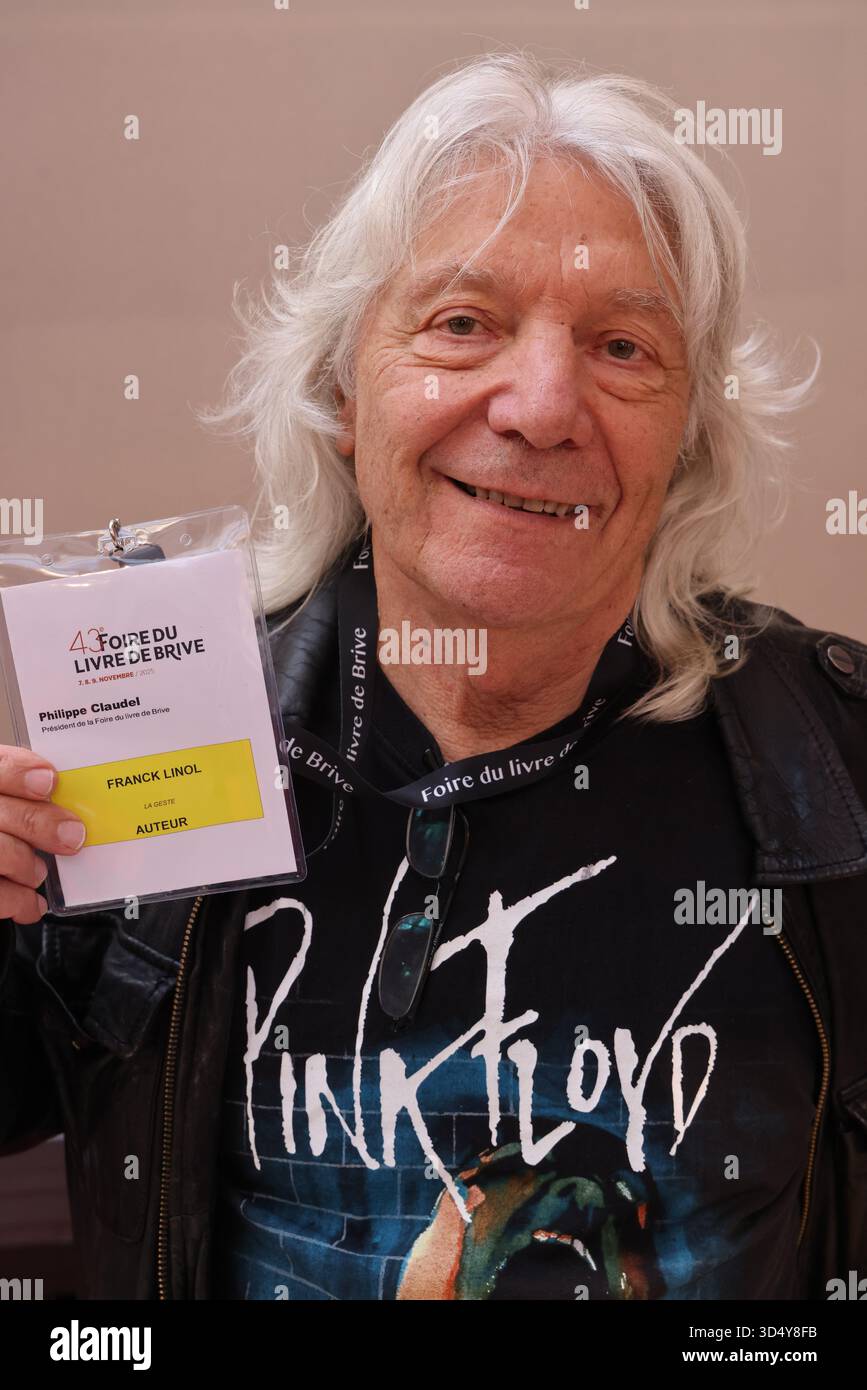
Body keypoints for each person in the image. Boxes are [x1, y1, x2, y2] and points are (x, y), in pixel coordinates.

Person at [1, 51, 866, 1302]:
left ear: (686, 438)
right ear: (345, 389)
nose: (541, 403)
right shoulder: (163, 735)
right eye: (464, 324)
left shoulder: (833, 769)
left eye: (623, 346)